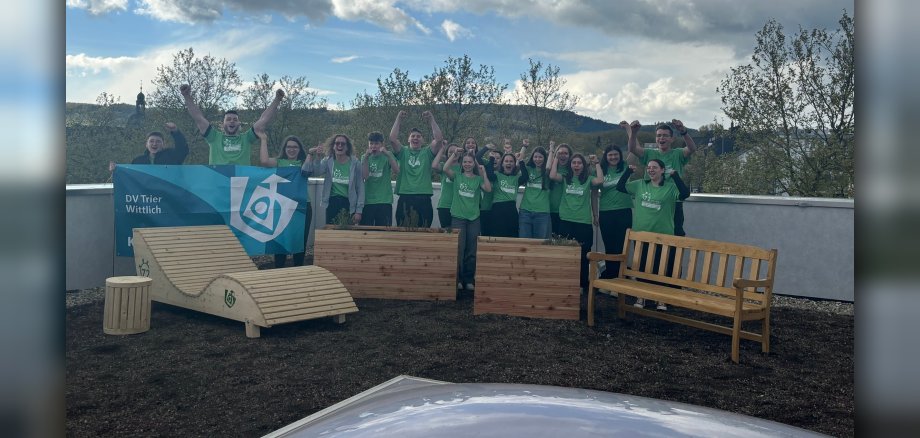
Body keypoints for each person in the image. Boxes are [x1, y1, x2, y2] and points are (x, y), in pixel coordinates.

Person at [615, 158, 691, 310]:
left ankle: (660, 300)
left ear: (662, 170)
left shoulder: (670, 188)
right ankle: (641, 297)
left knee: (660, 268)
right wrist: (628, 171)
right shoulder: (640, 185)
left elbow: (685, 194)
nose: (651, 170)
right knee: (641, 267)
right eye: (649, 167)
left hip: (663, 235)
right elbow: (620, 187)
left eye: (654, 167)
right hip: (641, 234)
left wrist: (675, 176)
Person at [624, 119, 696, 236]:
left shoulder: (677, 153)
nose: (661, 138)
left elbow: (692, 148)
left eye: (665, 136)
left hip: (673, 201)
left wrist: (683, 131)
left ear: (672, 139)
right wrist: (634, 132)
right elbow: (632, 149)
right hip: (652, 200)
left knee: (674, 237)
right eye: (659, 136)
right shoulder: (649, 153)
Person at [180, 84, 284, 165]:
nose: (232, 121)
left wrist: (277, 100)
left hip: (241, 185)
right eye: (228, 119)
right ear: (223, 124)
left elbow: (263, 120)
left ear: (239, 124)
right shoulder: (214, 137)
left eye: (235, 119)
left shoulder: (247, 138)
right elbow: (199, 118)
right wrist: (187, 96)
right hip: (218, 183)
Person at [256, 129, 311, 268]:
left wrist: (311, 154)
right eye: (289, 146)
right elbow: (264, 161)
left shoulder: (304, 162)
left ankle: (299, 271)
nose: (291, 149)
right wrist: (263, 140)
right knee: (280, 239)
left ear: (300, 149)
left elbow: (310, 170)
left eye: (295, 147)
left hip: (302, 207)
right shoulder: (279, 162)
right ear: (284, 148)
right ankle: (279, 270)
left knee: (300, 240)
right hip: (282, 207)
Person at [550, 152, 604, 293]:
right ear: (570, 165)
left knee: (584, 254)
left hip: (583, 222)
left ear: (583, 166)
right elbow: (552, 175)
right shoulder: (565, 178)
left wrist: (596, 162)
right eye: (574, 163)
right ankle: (566, 281)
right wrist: (556, 156)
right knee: (566, 254)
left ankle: (581, 284)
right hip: (566, 221)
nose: (576, 165)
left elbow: (599, 180)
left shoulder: (588, 179)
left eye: (579, 163)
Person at [442, 150, 492, 293]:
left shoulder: (477, 179)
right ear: (462, 164)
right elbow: (445, 168)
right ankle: (458, 279)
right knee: (459, 249)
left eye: (470, 162)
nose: (467, 164)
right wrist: (454, 156)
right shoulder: (457, 176)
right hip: (458, 218)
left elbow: (488, 189)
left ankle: (469, 280)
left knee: (471, 250)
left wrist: (484, 174)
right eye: (465, 162)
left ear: (473, 164)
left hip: (473, 219)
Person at [388, 110, 444, 227]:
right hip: (405, 196)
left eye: (418, 136)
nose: (415, 138)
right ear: (408, 139)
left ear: (422, 140)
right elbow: (392, 139)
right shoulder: (402, 151)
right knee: (403, 231)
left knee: (424, 230)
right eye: (413, 136)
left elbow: (439, 139)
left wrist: (431, 119)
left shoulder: (427, 152)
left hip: (424, 196)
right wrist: (398, 118)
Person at [304, 134, 364, 225]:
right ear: (333, 146)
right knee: (331, 232)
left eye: (343, 144)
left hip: (348, 203)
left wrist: (359, 211)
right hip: (332, 203)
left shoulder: (355, 164)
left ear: (347, 147)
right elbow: (316, 172)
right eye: (337, 143)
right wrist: (318, 157)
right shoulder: (328, 161)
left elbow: (360, 187)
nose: (340, 145)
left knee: (346, 234)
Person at [596, 145, 632, 278]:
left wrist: (630, 130)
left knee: (622, 245)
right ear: (605, 157)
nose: (613, 157)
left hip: (624, 211)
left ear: (620, 155)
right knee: (609, 245)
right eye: (610, 155)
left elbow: (633, 150)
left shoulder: (625, 167)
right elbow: (594, 194)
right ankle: (610, 275)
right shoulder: (601, 170)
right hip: (606, 212)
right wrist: (595, 214)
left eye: (616, 154)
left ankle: (621, 274)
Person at [360, 131, 399, 226]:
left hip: (384, 201)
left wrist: (388, 155)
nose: (373, 146)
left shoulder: (388, 155)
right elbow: (365, 176)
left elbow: (396, 171)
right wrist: (366, 158)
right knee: (365, 231)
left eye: (376, 143)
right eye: (371, 143)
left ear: (382, 144)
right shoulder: (364, 157)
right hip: (368, 201)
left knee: (383, 232)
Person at [518, 146, 551, 238]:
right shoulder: (528, 169)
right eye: (535, 157)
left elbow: (549, 166)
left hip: (542, 213)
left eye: (540, 157)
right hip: (525, 211)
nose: (537, 159)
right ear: (532, 158)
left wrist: (551, 149)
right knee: (524, 242)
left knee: (539, 244)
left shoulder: (548, 172)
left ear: (545, 158)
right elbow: (519, 162)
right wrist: (524, 146)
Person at [490, 152, 522, 237]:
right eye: (506, 161)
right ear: (502, 163)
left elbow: (525, 177)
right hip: (497, 209)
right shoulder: (497, 175)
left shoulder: (516, 178)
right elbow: (489, 175)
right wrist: (491, 158)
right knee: (497, 236)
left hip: (511, 210)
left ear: (514, 164)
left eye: (511, 161)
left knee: (513, 236)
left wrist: (520, 161)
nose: (508, 163)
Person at [432, 141, 461, 229]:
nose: (454, 153)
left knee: (458, 234)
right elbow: (434, 166)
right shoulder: (443, 166)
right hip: (444, 205)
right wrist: (442, 149)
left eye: (456, 151)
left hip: (459, 206)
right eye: (450, 152)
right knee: (446, 233)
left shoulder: (464, 167)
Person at [546, 142, 572, 235]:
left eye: (566, 153)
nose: (563, 155)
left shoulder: (572, 171)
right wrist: (552, 150)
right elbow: (549, 170)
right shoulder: (550, 168)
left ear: (570, 156)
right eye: (560, 153)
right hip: (550, 210)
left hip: (566, 212)